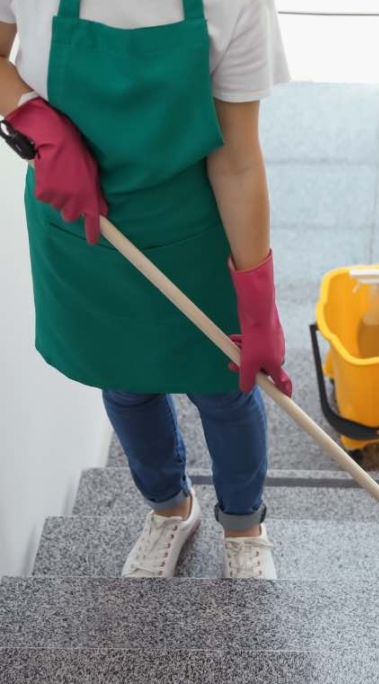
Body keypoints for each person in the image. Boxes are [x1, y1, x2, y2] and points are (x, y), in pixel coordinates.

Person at [0, 0, 292, 579]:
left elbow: (236, 160)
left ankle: (244, 526)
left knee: (223, 389)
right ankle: (171, 510)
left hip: (191, 226)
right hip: (83, 224)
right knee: (125, 381)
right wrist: (33, 116)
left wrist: (257, 302)